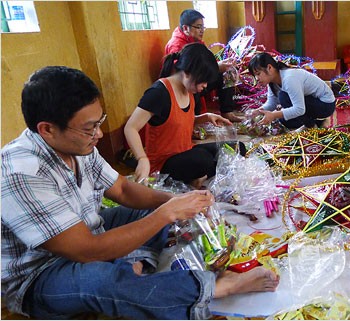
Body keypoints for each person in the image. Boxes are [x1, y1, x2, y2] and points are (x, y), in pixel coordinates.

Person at [1, 65, 279, 320]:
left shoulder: (77, 144)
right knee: (102, 281)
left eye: (100, 123)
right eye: (90, 128)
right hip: (39, 274)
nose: (98, 134)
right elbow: (86, 250)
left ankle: (136, 263)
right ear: (47, 130)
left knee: (151, 211)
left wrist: (176, 202)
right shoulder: (22, 173)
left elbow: (121, 188)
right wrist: (165, 214)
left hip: (87, 229)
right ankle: (213, 288)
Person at [125, 43, 245, 188]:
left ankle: (199, 177)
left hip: (186, 151)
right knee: (204, 160)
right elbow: (130, 127)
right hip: (163, 163)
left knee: (237, 148)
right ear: (187, 72)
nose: (206, 86)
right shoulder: (159, 92)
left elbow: (178, 121)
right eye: (203, 81)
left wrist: (205, 117)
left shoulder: (189, 89)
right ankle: (200, 176)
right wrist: (142, 158)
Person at [165, 9, 244, 122]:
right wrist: (217, 67)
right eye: (198, 27)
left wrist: (223, 64)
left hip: (197, 78)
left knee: (228, 72)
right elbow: (186, 73)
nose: (202, 31)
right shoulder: (176, 45)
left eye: (203, 27)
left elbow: (205, 61)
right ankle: (194, 121)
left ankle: (227, 112)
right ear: (186, 28)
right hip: (186, 83)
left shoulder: (197, 41)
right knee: (196, 81)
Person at [247, 52, 336, 129]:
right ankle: (319, 122)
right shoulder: (272, 81)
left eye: (258, 74)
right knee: (283, 121)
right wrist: (258, 111)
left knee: (283, 97)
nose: (257, 78)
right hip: (311, 102)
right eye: (255, 76)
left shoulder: (289, 78)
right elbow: (271, 103)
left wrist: (273, 115)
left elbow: (299, 109)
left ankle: (311, 126)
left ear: (269, 68)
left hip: (325, 104)